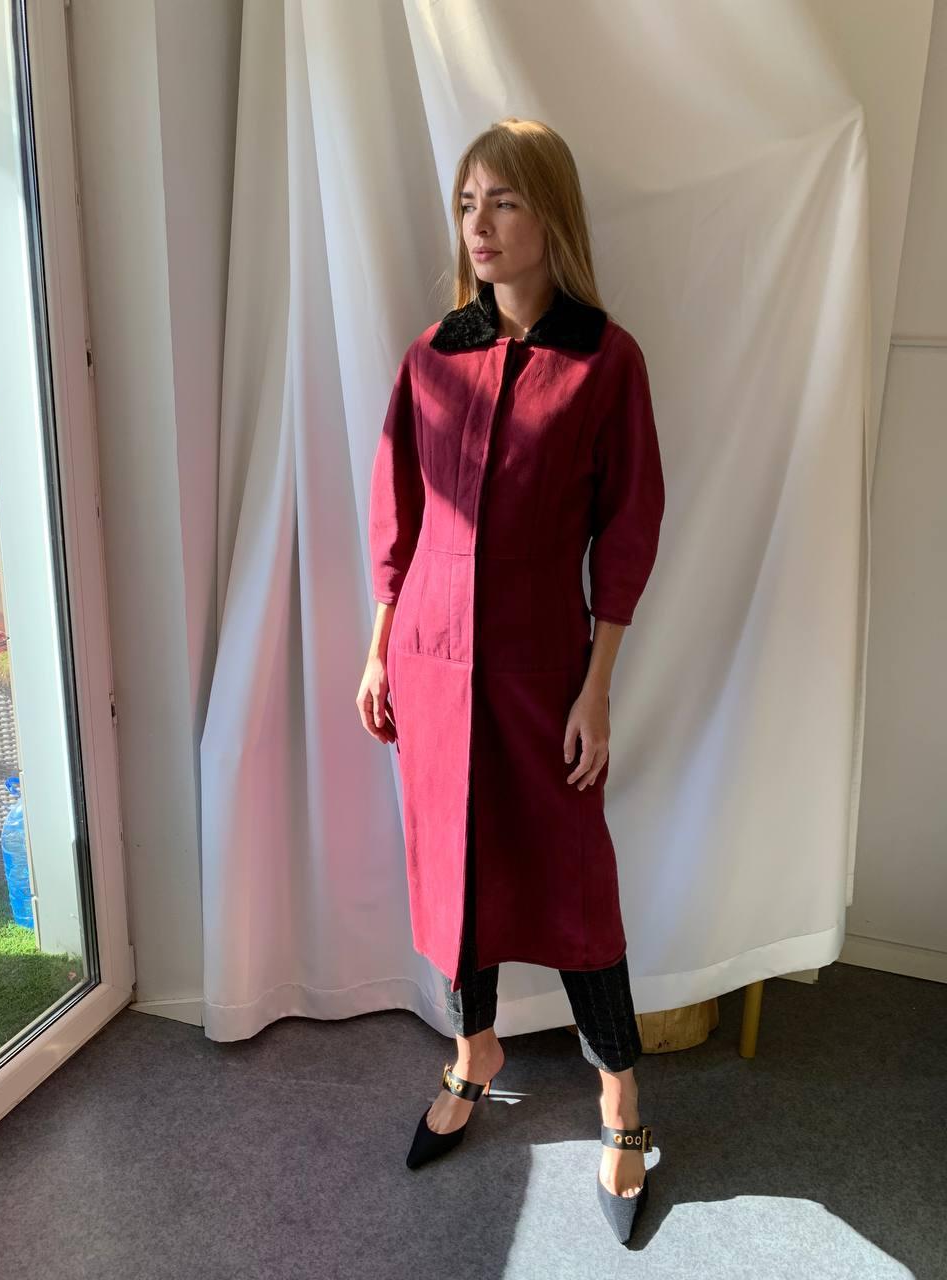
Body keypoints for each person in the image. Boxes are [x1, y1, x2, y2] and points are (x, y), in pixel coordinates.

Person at [358, 117, 665, 1245]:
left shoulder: (605, 361)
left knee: (576, 885)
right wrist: (379, 644)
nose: (479, 226)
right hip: (431, 659)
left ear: (551, 215)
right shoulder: (431, 356)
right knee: (457, 865)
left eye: (504, 202)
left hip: (544, 666)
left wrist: (598, 685)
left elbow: (628, 529)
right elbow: (398, 510)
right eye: (466, 204)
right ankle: (473, 1049)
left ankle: (621, 1099)